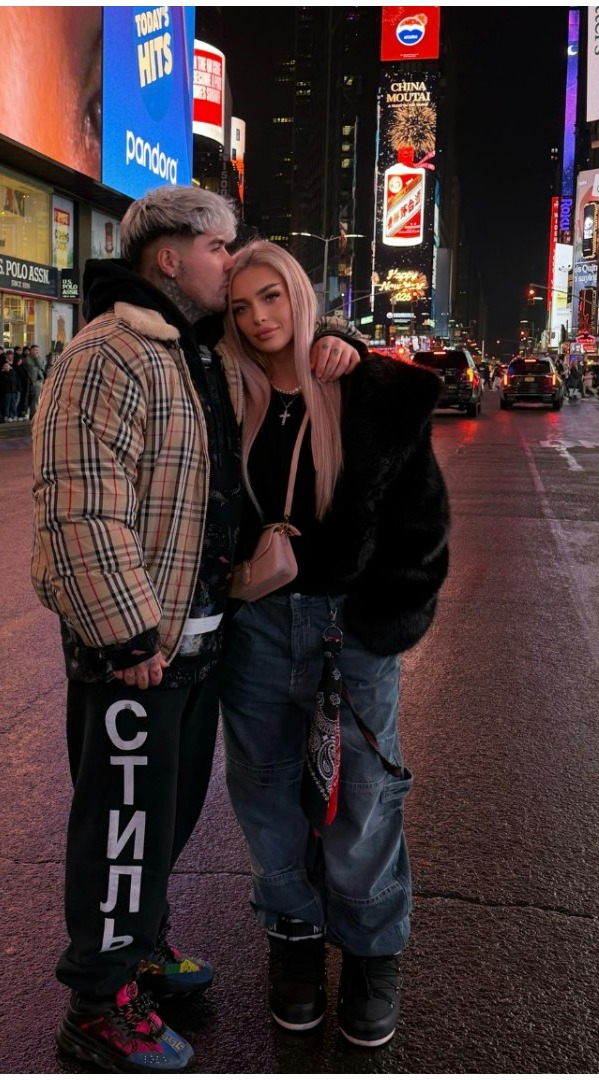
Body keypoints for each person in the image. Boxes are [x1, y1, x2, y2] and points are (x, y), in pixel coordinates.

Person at [33, 185, 358, 1072]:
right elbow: (79, 509)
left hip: (194, 638)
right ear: (170, 257)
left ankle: (139, 951)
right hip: (135, 652)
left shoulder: (192, 351)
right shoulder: (109, 354)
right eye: (221, 249)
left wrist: (341, 340)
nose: (235, 262)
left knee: (162, 820)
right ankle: (97, 1011)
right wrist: (127, 637)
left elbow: (289, 347)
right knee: (122, 828)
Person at [218, 241, 448, 1048]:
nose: (258, 318)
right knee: (267, 797)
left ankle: (372, 956)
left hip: (348, 630)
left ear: (300, 296)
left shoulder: (364, 389)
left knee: (362, 804)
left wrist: (383, 627)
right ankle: (293, 945)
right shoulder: (223, 390)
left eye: (271, 297)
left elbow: (422, 526)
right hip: (254, 628)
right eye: (241, 306)